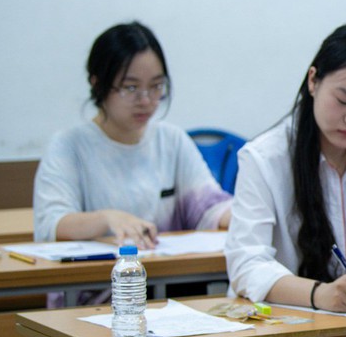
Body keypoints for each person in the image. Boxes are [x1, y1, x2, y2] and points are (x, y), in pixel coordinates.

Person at [224, 24, 346, 313]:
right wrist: (320, 294)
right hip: (287, 322)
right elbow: (246, 264)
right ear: (313, 81)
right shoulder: (264, 159)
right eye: (343, 100)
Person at [34, 22, 232, 247]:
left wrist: (243, 216)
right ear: (98, 85)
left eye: (156, 86)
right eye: (130, 88)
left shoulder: (171, 140)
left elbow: (209, 206)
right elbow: (52, 225)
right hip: (103, 278)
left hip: (166, 276)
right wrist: (107, 219)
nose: (146, 101)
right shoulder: (69, 146)